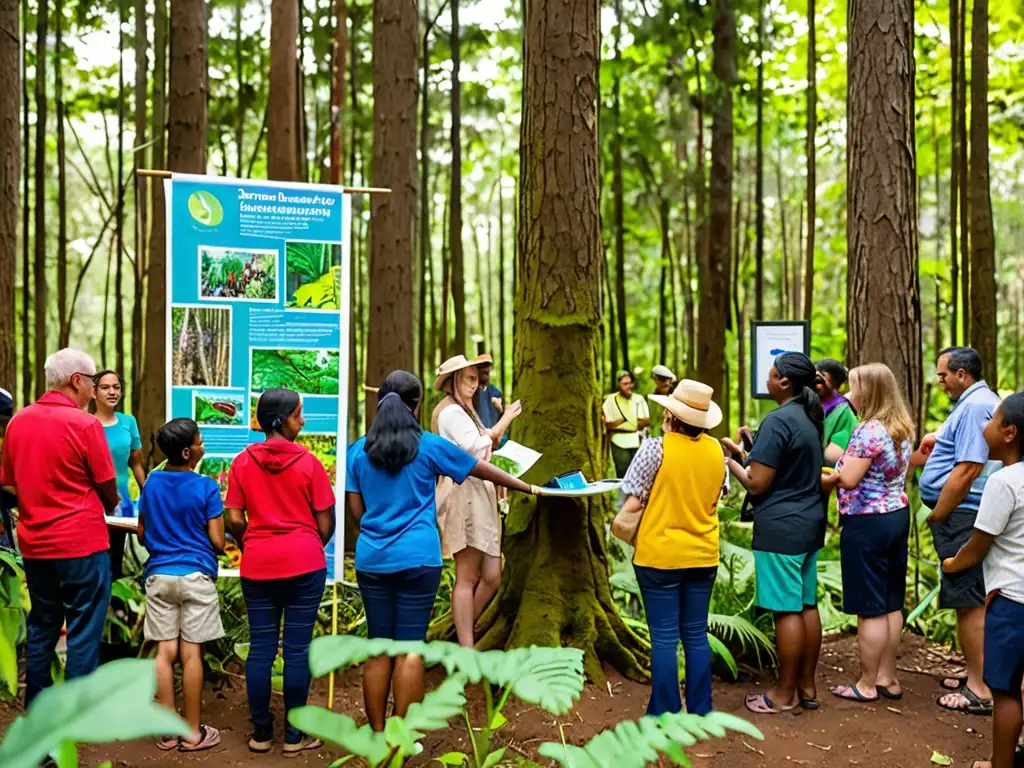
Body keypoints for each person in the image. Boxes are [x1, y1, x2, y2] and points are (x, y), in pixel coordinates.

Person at [348, 371, 539, 731]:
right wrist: (527, 487)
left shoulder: (357, 451)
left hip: (373, 559)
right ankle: (399, 738)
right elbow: (482, 469)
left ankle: (375, 735)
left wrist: (376, 530)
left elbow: (356, 512)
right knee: (410, 649)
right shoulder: (428, 446)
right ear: (416, 405)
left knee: (378, 648)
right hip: (419, 559)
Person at [0, 349, 119, 706]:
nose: (95, 389)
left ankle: (38, 716)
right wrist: (110, 503)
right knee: (83, 630)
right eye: (94, 381)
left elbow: (7, 483)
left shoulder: (18, 422)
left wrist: (35, 504)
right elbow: (107, 485)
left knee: (42, 628)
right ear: (77, 381)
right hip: (82, 542)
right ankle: (69, 721)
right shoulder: (85, 424)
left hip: (36, 545)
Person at [225, 388, 336, 755]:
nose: (302, 421)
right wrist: (305, 544)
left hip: (258, 564)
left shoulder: (242, 463)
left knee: (260, 650)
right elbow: (326, 522)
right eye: (298, 414)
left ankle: (260, 734)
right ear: (281, 419)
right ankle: (293, 736)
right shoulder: (310, 464)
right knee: (297, 651)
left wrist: (252, 541)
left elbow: (234, 518)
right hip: (305, 564)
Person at [723, 352, 826, 714]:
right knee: (806, 603)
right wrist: (749, 450)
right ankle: (807, 688)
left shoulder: (778, 420)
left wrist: (731, 461)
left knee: (786, 611)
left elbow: (757, 482)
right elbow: (790, 464)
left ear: (783, 382)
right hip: (810, 522)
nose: (765, 379)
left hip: (781, 528)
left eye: (769, 374)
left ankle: (783, 694)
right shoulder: (811, 416)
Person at [618, 379, 724, 716]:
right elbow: (718, 495)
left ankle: (664, 713)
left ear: (670, 414)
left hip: (659, 554)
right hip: (703, 554)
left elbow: (632, 498)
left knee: (664, 637)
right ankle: (701, 709)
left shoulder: (655, 448)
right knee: (695, 633)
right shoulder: (716, 450)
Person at [820, 363, 914, 703]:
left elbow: (847, 478)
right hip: (896, 516)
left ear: (870, 392)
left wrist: (822, 476)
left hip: (867, 523)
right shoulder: (902, 428)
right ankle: (888, 677)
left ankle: (867, 683)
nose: (847, 394)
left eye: (854, 387)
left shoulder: (868, 431)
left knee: (870, 607)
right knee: (890, 600)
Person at [942, 394, 1024, 768]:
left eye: (991, 420)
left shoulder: (1004, 482)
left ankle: (999, 763)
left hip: (1011, 600)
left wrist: (952, 564)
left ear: (1009, 433)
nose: (983, 426)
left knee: (1005, 691)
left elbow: (979, 544)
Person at [920, 347, 1000, 714]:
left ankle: (980, 689)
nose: (940, 382)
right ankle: (975, 672)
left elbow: (968, 468)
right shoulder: (978, 403)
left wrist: (939, 513)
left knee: (968, 601)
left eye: (943, 375)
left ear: (962, 374)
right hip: (964, 513)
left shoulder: (973, 407)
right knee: (969, 597)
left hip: (962, 514)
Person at [138, 418, 225, 752]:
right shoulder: (206, 487)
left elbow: (143, 532)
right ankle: (191, 733)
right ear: (189, 451)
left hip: (159, 575)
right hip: (196, 576)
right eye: (200, 441)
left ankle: (167, 730)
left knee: (164, 652)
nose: (203, 446)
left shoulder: (152, 483)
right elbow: (218, 542)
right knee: (192, 654)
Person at [432, 355, 522, 647]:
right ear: (452, 381)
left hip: (482, 492)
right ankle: (466, 647)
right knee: (468, 575)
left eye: (474, 378)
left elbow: (484, 443)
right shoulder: (450, 413)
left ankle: (464, 628)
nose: (473, 384)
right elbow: (474, 447)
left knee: (493, 575)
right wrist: (506, 418)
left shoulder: (465, 410)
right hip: (464, 493)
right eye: (467, 379)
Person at [93, 370, 146, 580]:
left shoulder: (128, 422)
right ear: (93, 393)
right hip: (91, 502)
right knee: (94, 559)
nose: (112, 392)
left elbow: (136, 464)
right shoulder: (85, 423)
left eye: (116, 387)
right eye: (105, 387)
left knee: (115, 562)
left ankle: (114, 608)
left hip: (121, 504)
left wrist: (149, 493)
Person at [603, 371, 650, 477]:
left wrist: (624, 423)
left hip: (637, 439)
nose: (629, 386)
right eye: (625, 384)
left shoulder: (639, 399)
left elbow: (646, 420)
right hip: (619, 440)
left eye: (630, 383)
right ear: (618, 385)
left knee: (638, 474)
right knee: (623, 473)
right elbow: (607, 423)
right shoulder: (610, 400)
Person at [816, 359, 859, 465]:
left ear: (836, 383)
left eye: (823, 376)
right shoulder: (807, 400)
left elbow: (831, 457)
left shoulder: (844, 411)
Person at [473, 354, 508, 448]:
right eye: (482, 366)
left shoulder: (494, 391)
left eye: (487, 366)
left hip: (497, 440)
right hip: (479, 441)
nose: (486, 369)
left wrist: (500, 405)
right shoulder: (471, 392)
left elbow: (500, 407)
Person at [647, 365, 677, 438]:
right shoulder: (650, 396)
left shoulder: (674, 398)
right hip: (653, 437)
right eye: (659, 380)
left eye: (666, 386)